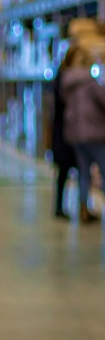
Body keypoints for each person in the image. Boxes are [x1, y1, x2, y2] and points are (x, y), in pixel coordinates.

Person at [61, 45, 105, 223]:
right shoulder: (90, 82)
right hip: (95, 133)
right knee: (104, 170)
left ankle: (83, 208)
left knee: (83, 173)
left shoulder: (68, 82)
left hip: (76, 134)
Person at [52, 47, 81, 219]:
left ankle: (82, 205)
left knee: (79, 170)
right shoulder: (66, 79)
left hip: (74, 130)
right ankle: (60, 206)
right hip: (65, 131)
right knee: (64, 171)